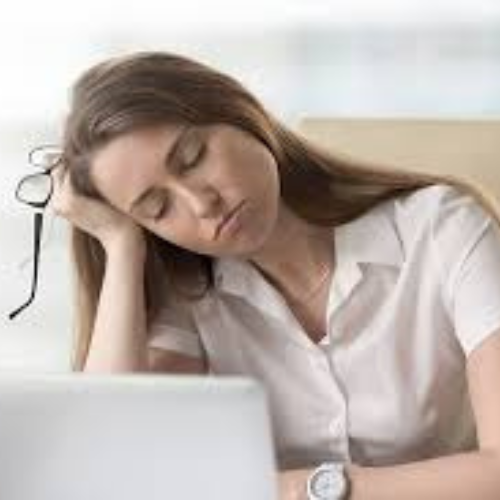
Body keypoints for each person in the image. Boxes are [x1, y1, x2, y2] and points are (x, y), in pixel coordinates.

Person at [50, 51, 500, 500]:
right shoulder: (190, 293)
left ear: (237, 110)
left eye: (192, 157)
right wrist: (122, 245)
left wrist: (300, 491)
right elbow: (109, 460)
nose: (202, 204)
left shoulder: (442, 229)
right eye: (158, 208)